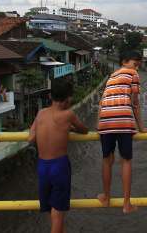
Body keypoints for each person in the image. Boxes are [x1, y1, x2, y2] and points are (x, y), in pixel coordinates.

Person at [28, 79, 89, 233]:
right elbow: (84, 130)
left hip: (42, 166)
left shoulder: (41, 113)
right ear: (68, 98)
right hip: (59, 166)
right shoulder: (68, 114)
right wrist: (71, 129)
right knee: (58, 212)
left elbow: (31, 138)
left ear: (51, 96)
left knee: (51, 209)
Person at [97, 50, 147, 214]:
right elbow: (135, 103)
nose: (138, 66)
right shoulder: (133, 73)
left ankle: (106, 197)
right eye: (136, 62)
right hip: (123, 121)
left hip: (105, 121)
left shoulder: (111, 76)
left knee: (107, 160)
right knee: (126, 161)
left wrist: (98, 124)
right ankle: (126, 204)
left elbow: (101, 103)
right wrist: (141, 127)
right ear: (125, 61)